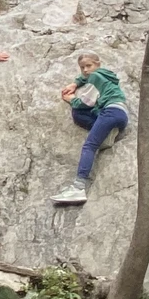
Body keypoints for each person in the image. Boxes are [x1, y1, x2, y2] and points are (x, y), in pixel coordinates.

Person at [52, 52, 128, 205]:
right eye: (82, 67)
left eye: (89, 66)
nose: (85, 70)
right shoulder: (105, 76)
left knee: (89, 146)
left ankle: (78, 188)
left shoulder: (95, 77)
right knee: (78, 114)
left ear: (97, 64)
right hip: (121, 113)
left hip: (109, 112)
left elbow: (86, 102)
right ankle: (106, 134)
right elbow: (85, 78)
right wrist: (75, 83)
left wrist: (71, 99)